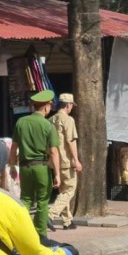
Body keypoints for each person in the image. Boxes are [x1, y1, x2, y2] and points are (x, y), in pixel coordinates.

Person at [9, 90, 61, 236]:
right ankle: (40, 233)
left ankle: (21, 231)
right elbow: (54, 152)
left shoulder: (21, 122)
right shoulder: (48, 125)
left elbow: (14, 148)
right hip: (41, 168)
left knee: (25, 199)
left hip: (25, 167)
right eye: (50, 105)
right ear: (45, 107)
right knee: (43, 202)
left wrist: (13, 166)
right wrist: (57, 174)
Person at [48, 93, 82, 230]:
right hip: (66, 160)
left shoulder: (50, 120)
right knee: (69, 190)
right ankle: (50, 215)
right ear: (68, 105)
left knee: (63, 190)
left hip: (54, 160)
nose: (71, 108)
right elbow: (71, 141)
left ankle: (67, 221)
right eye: (71, 106)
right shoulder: (68, 120)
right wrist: (76, 159)